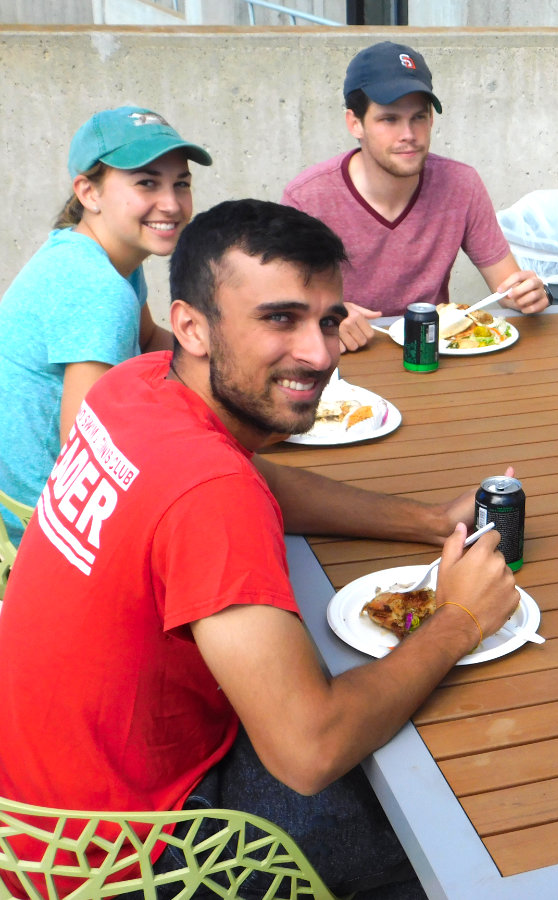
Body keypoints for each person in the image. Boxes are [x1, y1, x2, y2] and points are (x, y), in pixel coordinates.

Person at [0, 199, 519, 898]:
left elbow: (247, 476)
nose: (321, 352)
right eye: (280, 319)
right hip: (121, 854)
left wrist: (427, 521)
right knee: (463, 816)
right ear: (191, 325)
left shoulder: (135, 385)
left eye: (329, 320)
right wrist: (461, 619)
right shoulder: (210, 496)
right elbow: (311, 750)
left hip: (32, 805)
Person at [0, 105, 211, 545]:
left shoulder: (102, 258)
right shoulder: (96, 288)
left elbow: (151, 340)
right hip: (39, 538)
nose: (171, 204)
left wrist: (230, 362)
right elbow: (87, 457)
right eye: (147, 182)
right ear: (88, 193)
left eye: (181, 184)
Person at [282, 41, 551, 352]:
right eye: (389, 119)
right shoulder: (308, 197)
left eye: (418, 117)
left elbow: (507, 289)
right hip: (344, 360)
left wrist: (530, 294)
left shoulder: (462, 184)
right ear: (355, 123)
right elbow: (283, 305)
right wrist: (326, 316)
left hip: (434, 355)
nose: (408, 134)